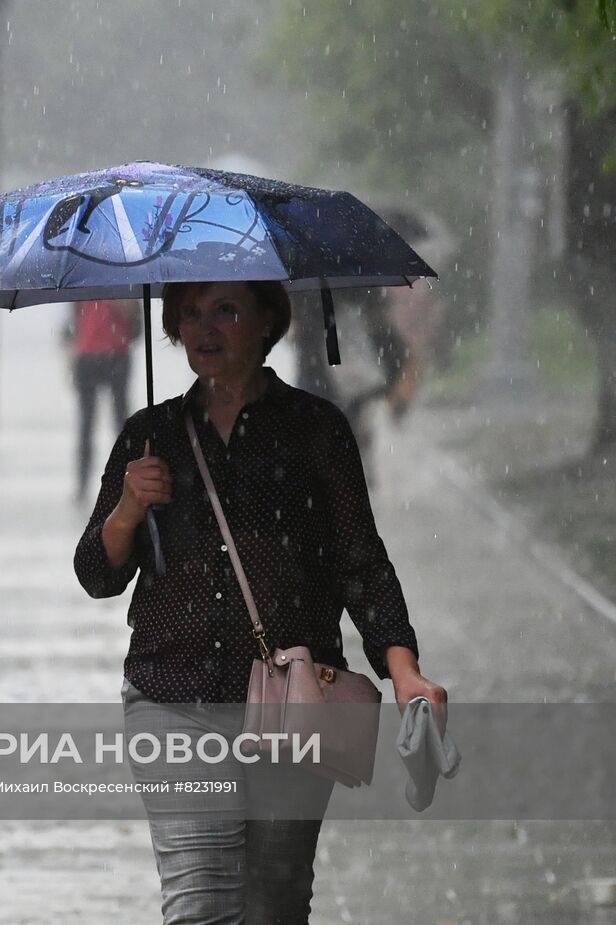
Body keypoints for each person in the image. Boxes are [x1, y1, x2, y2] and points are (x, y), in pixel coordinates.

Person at [73, 280, 447, 924]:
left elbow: (360, 564)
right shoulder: (149, 435)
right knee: (199, 907)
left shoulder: (315, 430)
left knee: (274, 905)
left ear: (268, 321)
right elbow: (96, 574)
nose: (204, 328)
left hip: (295, 702)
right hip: (174, 699)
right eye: (189, 314)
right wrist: (129, 507)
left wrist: (405, 672)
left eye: (225, 310)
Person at [63, 298, 142, 504]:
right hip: (88, 355)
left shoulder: (125, 283)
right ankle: (82, 485)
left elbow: (136, 328)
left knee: (121, 425)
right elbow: (71, 323)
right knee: (87, 424)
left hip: (117, 354)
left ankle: (125, 481)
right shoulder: (84, 281)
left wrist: (125, 307)